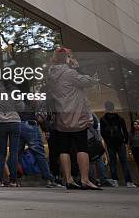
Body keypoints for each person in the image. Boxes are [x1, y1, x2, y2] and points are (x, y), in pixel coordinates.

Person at [46, 47, 101, 190]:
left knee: (63, 149)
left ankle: (68, 179)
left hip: (61, 117)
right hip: (76, 117)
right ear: (68, 58)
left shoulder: (51, 74)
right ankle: (85, 179)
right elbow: (88, 81)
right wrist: (77, 67)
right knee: (82, 147)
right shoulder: (70, 73)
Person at [19, 100, 56, 188]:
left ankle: (12, 179)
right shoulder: (32, 98)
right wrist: (45, 128)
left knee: (16, 153)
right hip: (30, 124)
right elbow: (40, 117)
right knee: (39, 153)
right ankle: (48, 178)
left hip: (16, 124)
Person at [100, 101, 135, 187]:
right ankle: (128, 181)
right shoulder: (120, 118)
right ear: (113, 107)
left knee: (113, 162)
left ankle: (115, 180)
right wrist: (126, 141)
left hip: (110, 143)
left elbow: (102, 133)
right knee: (124, 162)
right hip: (120, 142)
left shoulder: (103, 119)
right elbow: (125, 131)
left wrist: (107, 141)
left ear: (106, 108)